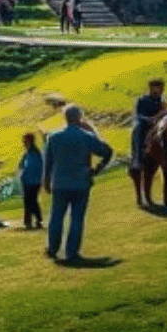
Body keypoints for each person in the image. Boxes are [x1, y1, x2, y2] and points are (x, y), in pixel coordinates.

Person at [42, 104, 113, 264]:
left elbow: (48, 163)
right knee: (77, 218)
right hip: (81, 183)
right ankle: (71, 252)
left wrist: (46, 181)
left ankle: (53, 249)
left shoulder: (53, 137)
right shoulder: (86, 136)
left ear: (65, 118)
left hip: (59, 183)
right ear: (79, 118)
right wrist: (97, 169)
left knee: (56, 217)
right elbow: (107, 152)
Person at [131, 79, 167, 170]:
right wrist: (150, 119)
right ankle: (137, 159)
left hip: (159, 122)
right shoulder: (143, 100)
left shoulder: (162, 100)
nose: (161, 90)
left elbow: (165, 112)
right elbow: (139, 115)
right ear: (152, 88)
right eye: (158, 88)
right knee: (138, 129)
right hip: (145, 122)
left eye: (161, 88)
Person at [18, 131, 45, 230]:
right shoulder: (31, 153)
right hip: (33, 181)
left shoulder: (33, 153)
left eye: (24, 140)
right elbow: (22, 164)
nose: (23, 142)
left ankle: (30, 222)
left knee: (30, 202)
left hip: (31, 181)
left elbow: (28, 167)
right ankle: (35, 220)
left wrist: (23, 175)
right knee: (32, 201)